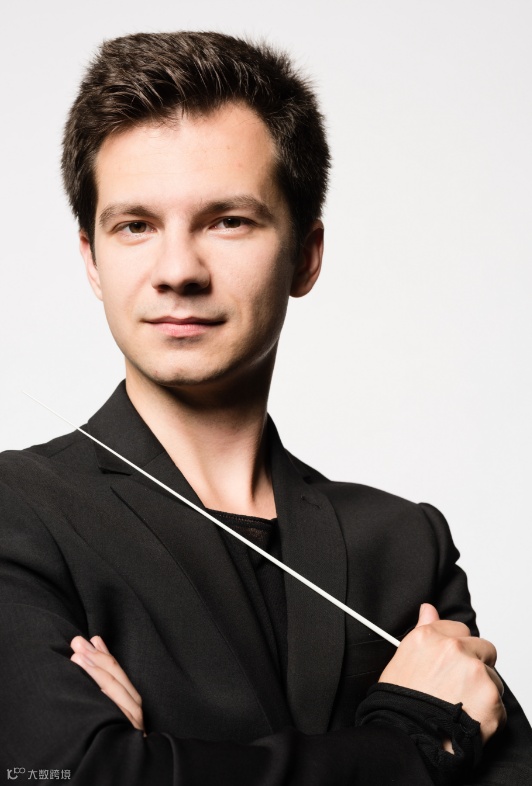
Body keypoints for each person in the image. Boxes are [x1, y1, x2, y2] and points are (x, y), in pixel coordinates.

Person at [0, 31, 530, 786]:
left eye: (228, 221)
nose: (177, 271)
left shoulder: (405, 546)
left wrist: (156, 761)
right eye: (135, 225)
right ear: (91, 258)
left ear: (305, 256)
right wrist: (411, 742)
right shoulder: (18, 515)